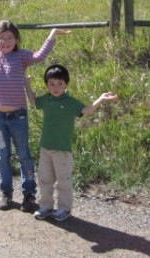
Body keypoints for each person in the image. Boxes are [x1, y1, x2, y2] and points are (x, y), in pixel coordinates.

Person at [0, 20, 70, 212]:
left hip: (18, 117)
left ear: (16, 40)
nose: (5, 41)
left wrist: (52, 35)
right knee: (2, 156)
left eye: (10, 38)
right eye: (1, 38)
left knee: (24, 155)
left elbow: (40, 56)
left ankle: (28, 195)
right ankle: (6, 194)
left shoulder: (22, 57)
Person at [25, 64, 118, 221]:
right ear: (47, 84)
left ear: (66, 84)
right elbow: (34, 101)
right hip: (45, 148)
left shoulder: (70, 102)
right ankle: (46, 207)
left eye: (60, 83)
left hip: (63, 150)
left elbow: (86, 110)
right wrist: (26, 83)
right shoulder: (46, 99)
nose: (56, 87)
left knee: (64, 181)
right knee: (44, 179)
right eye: (51, 84)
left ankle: (64, 209)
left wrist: (100, 100)